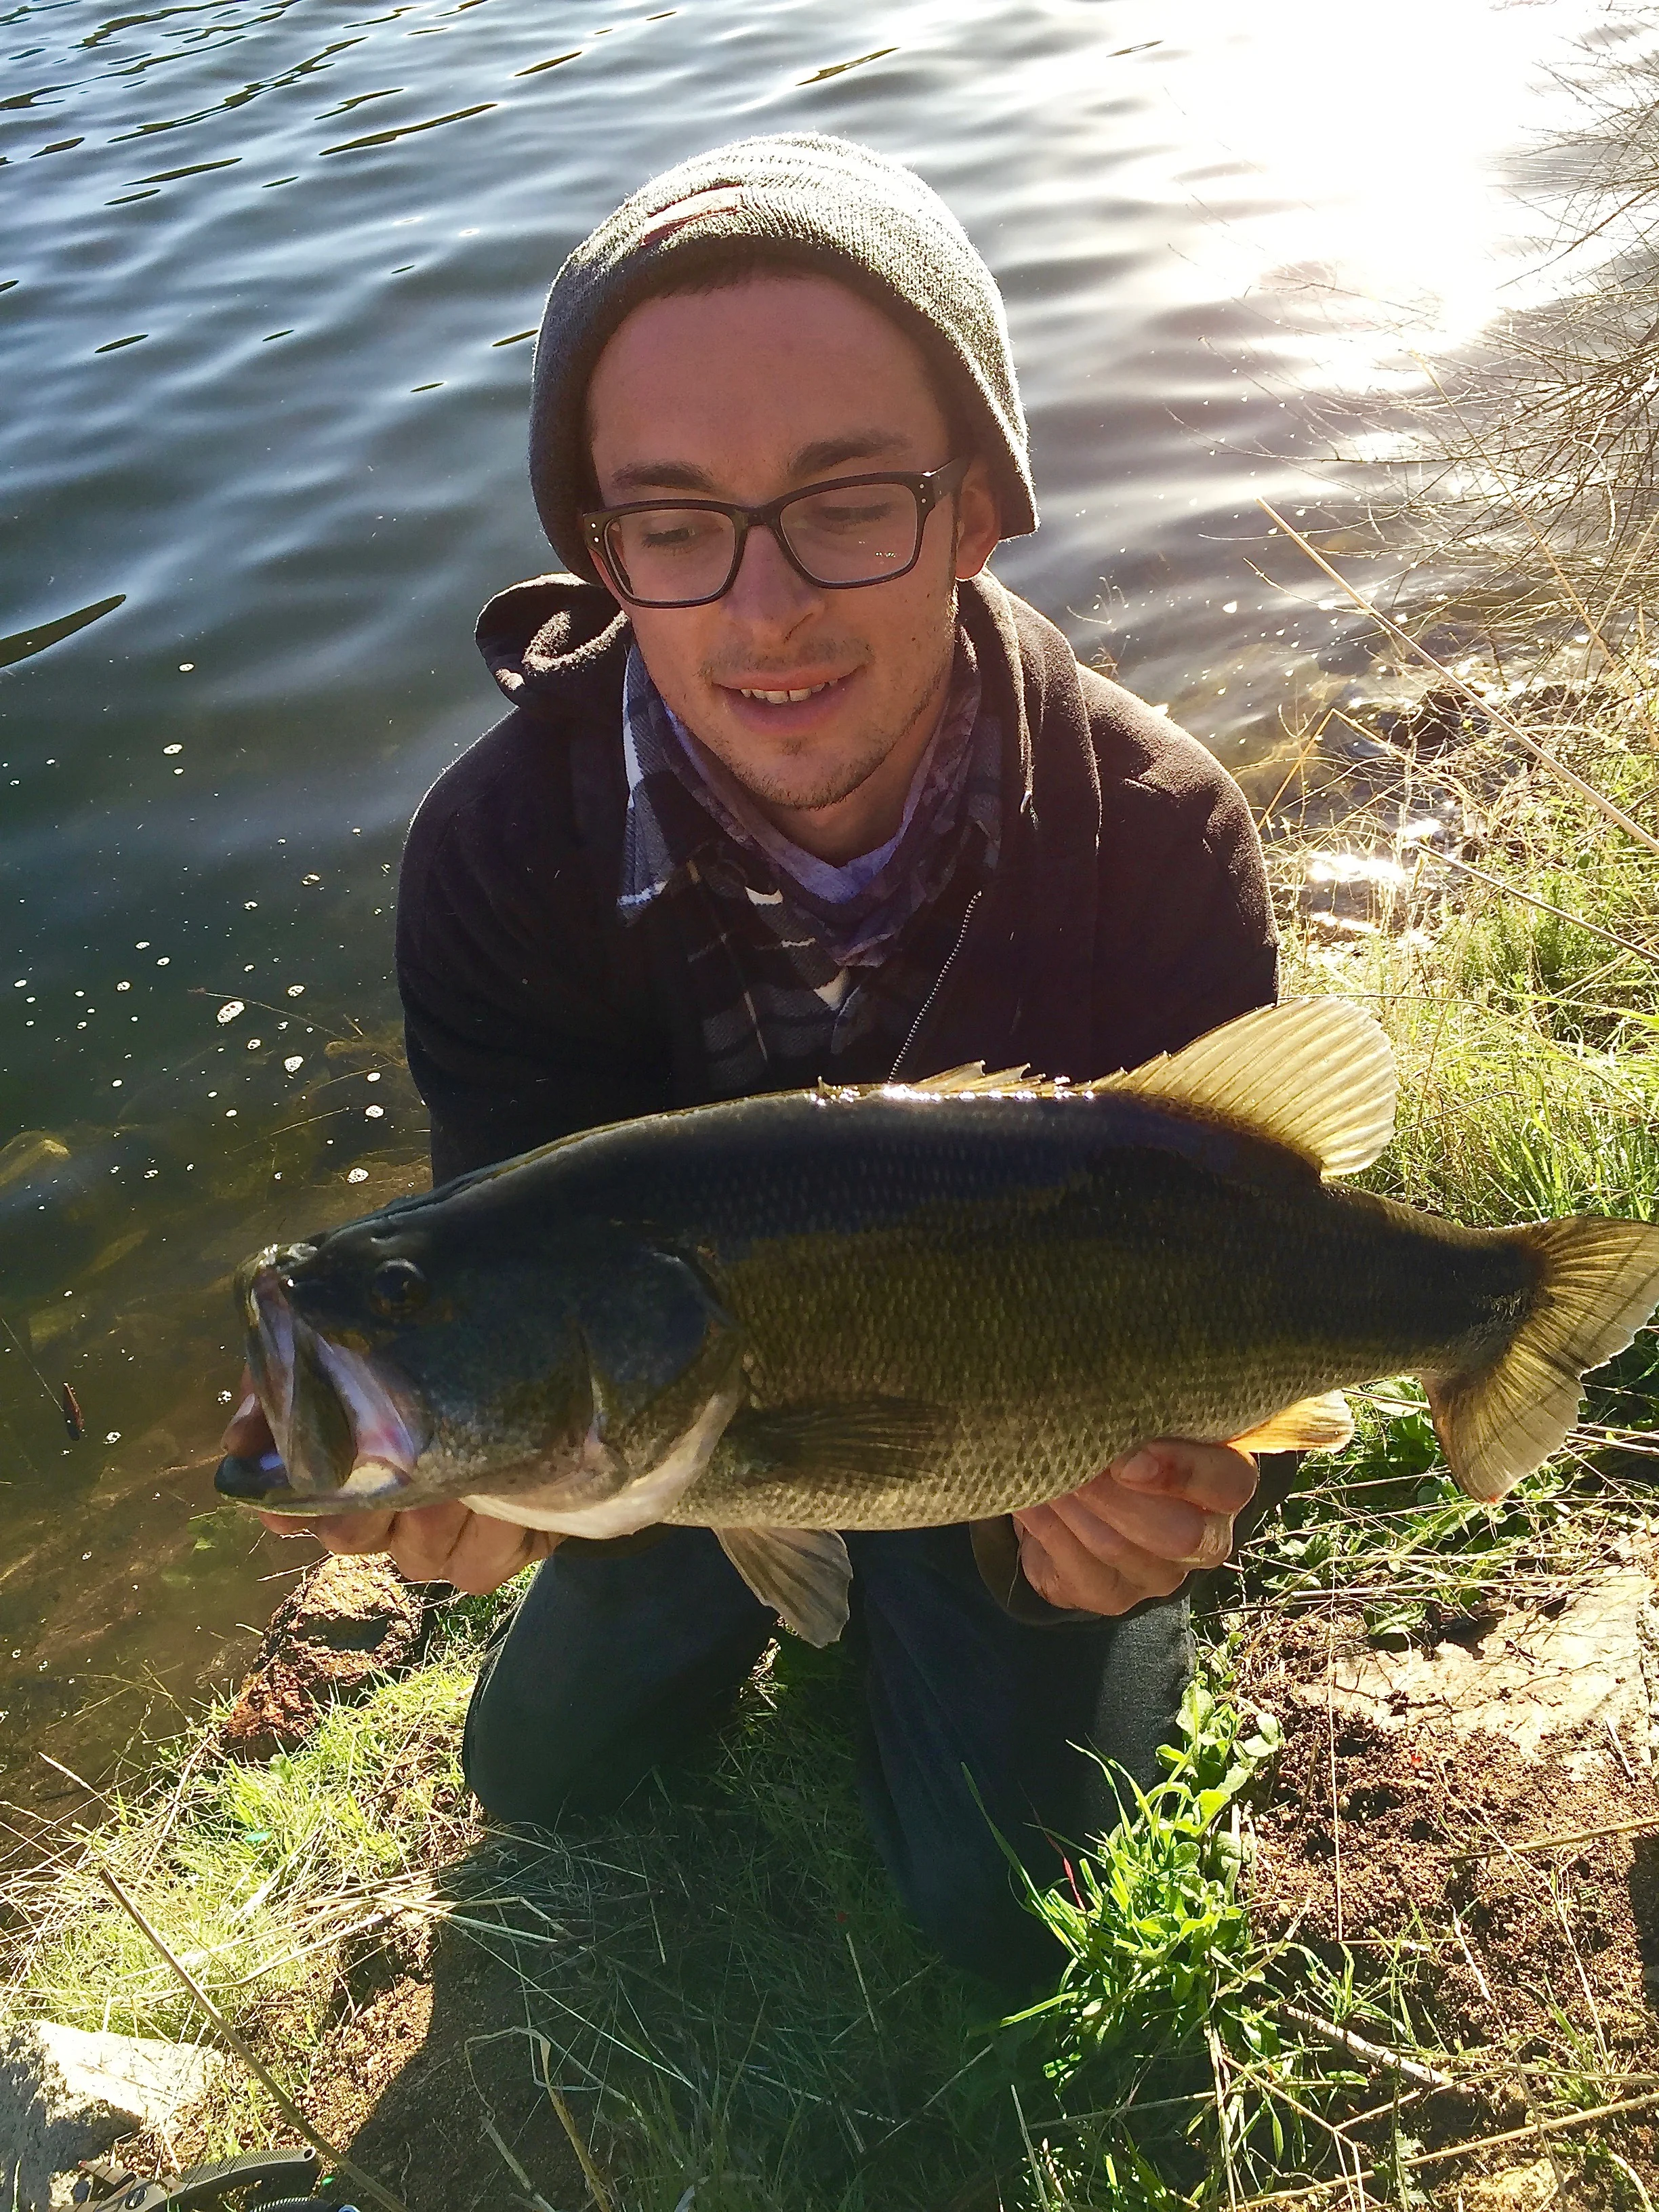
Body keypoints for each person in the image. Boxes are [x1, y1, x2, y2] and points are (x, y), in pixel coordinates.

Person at [226, 134, 1278, 1992]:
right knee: (542, 1775)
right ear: (602, 552)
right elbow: (517, 1267)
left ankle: (1002, 1622)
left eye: (850, 501)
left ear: (980, 509)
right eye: (676, 522)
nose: (767, 608)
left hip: (1019, 1434)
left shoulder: (1158, 830)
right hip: (685, 1419)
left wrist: (1139, 1521)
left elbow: (1236, 1261)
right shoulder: (495, 857)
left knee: (1003, 1922)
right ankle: (755, 1579)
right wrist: (477, 1464)